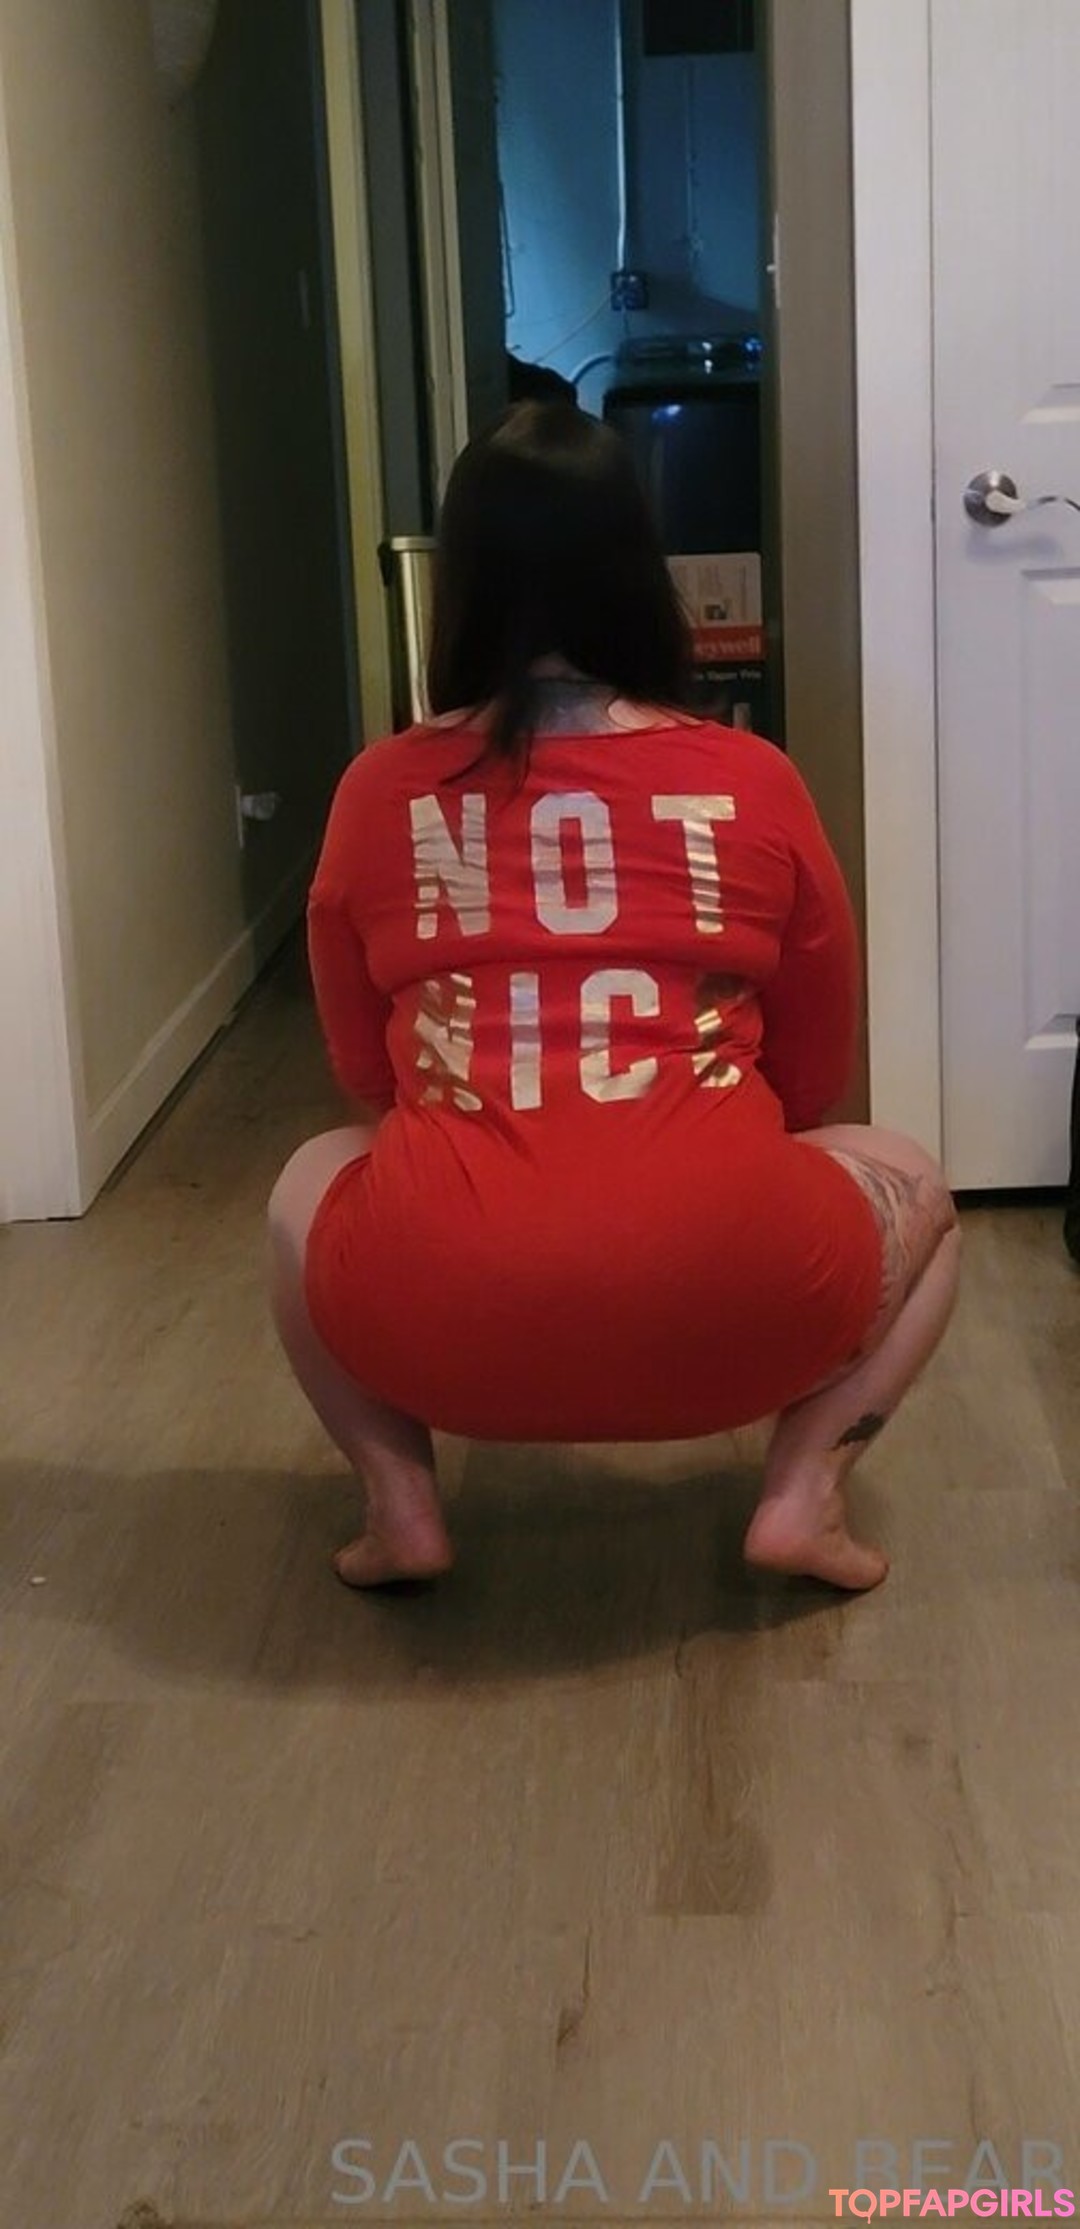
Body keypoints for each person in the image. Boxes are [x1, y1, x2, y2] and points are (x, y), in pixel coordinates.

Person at [268, 403, 960, 1595]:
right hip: (738, 1293)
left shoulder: (378, 789)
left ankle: (400, 1508)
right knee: (922, 1190)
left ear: (461, 584)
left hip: (435, 1310)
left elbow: (365, 1071)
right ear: (642, 575)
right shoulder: (751, 777)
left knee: (306, 1177)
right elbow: (813, 1070)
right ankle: (804, 1496)